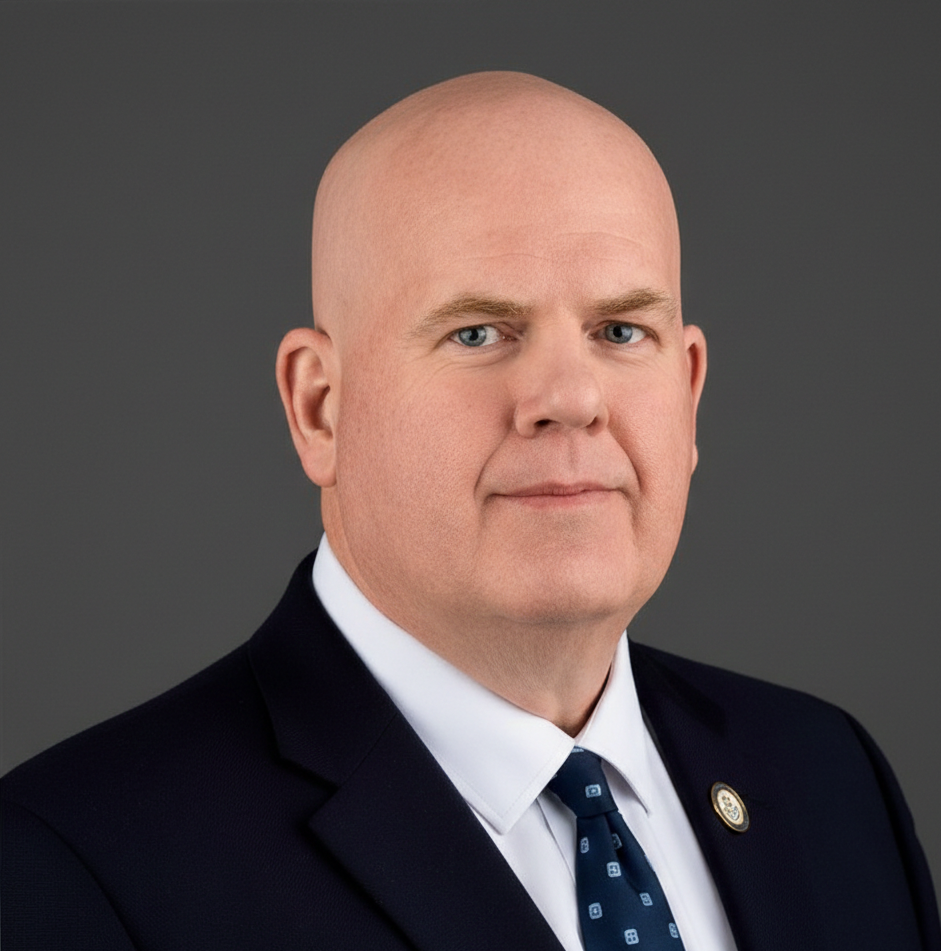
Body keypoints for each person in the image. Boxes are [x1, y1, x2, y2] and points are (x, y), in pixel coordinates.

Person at [2, 71, 938, 951]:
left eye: (620, 331)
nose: (569, 398)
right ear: (319, 406)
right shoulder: (72, 865)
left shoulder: (826, 777)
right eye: (478, 331)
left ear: (688, 392)